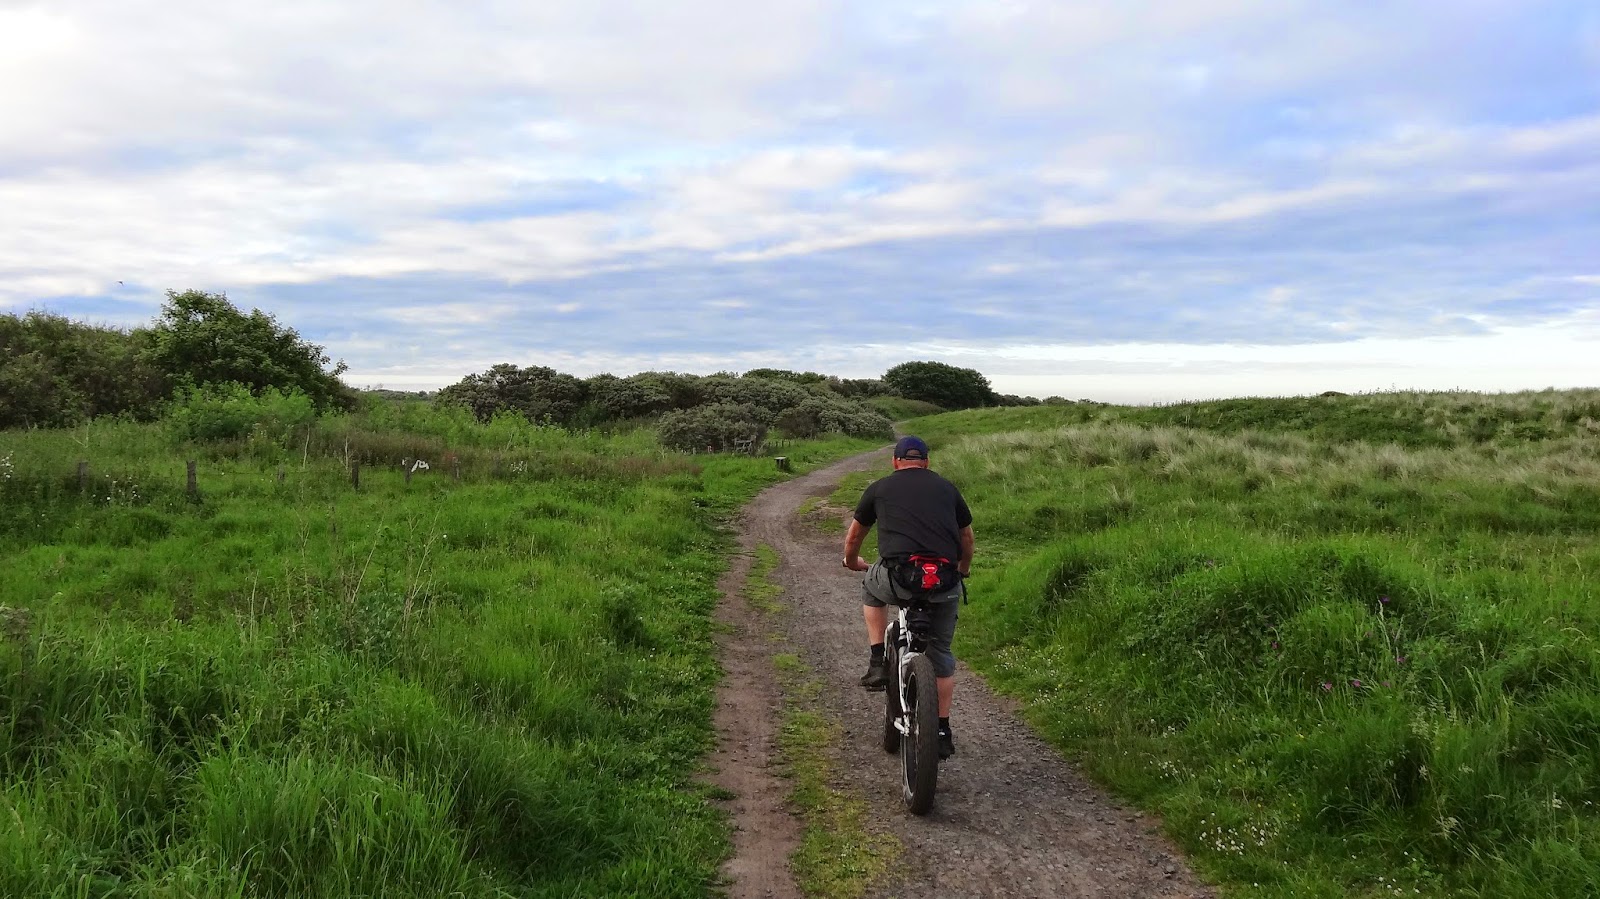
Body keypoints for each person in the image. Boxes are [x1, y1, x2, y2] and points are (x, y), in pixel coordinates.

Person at [843, 435, 974, 759]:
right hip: (942, 581)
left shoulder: (879, 488)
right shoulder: (947, 489)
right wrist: (963, 570)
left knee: (872, 589)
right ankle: (941, 730)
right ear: (927, 462)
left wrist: (852, 562)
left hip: (899, 577)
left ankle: (877, 660)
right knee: (941, 653)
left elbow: (855, 535)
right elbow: (966, 537)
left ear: (895, 461)